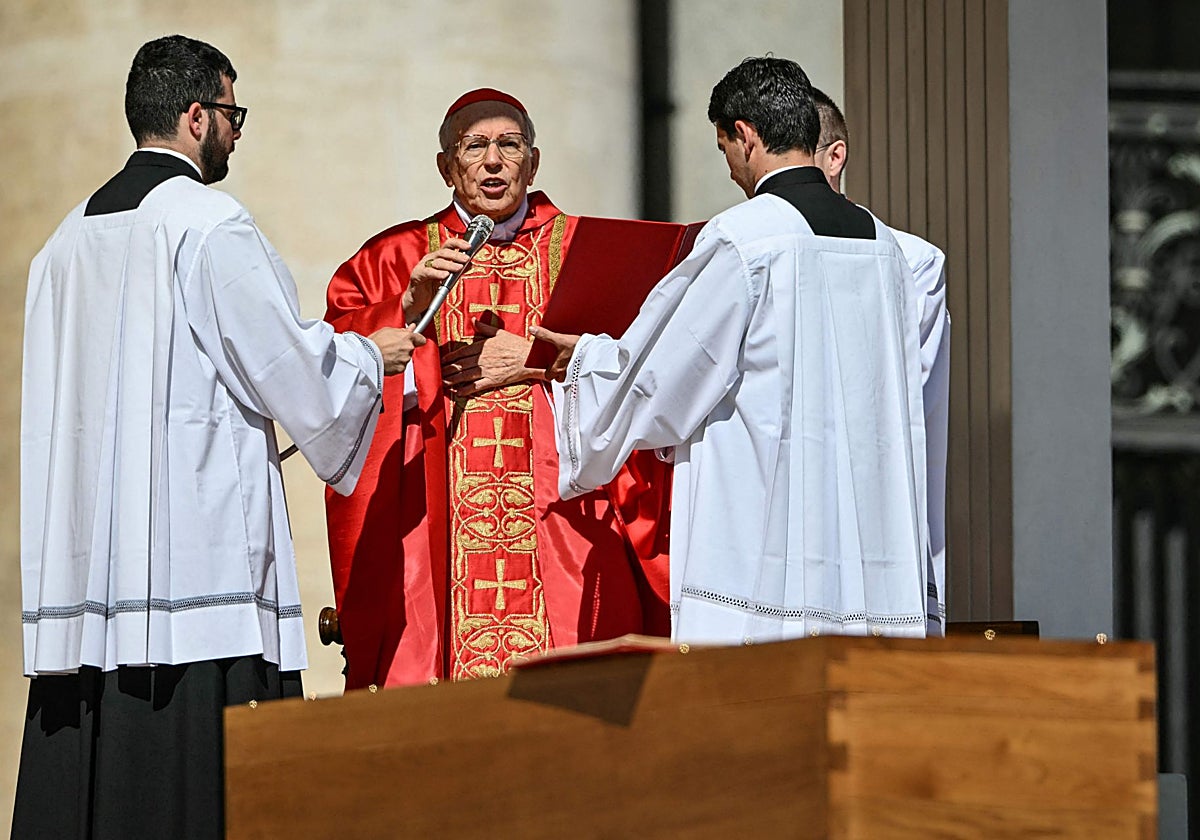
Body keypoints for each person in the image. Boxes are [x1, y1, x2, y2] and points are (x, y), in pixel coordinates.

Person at [16, 35, 422, 840]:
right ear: (197, 115)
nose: (238, 132)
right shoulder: (209, 223)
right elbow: (287, 365)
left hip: (86, 576)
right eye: (234, 114)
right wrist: (368, 355)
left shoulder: (60, 244)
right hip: (193, 574)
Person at [533, 56, 931, 645]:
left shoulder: (746, 238)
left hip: (763, 548)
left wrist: (586, 361)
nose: (729, 171)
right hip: (867, 548)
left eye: (723, 149)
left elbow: (664, 378)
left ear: (744, 136)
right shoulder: (887, 248)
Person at [324, 89, 670, 689]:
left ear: (532, 164)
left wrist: (536, 362)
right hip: (434, 521)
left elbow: (652, 371)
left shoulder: (591, 252)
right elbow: (329, 369)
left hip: (563, 521)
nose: (492, 161)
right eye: (475, 146)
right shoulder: (393, 258)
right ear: (446, 166)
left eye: (509, 146)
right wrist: (406, 318)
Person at [808, 86, 950, 635]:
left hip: (872, 508)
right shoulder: (742, 246)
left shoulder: (910, 262)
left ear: (834, 156)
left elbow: (898, 392)